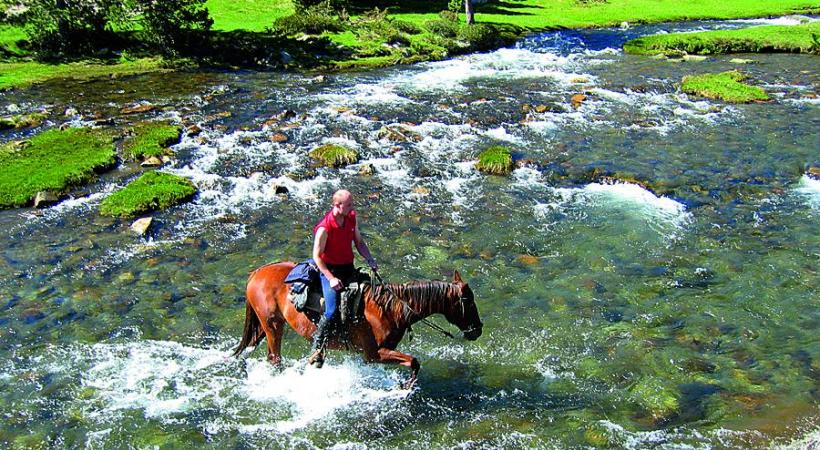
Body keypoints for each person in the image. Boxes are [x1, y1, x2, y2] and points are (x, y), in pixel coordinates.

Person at [308, 189, 378, 367]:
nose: (352, 207)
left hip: (347, 268)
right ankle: (317, 348)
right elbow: (317, 257)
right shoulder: (324, 228)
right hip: (328, 270)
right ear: (338, 205)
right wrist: (331, 278)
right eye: (349, 204)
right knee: (331, 310)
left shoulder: (351, 217)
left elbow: (359, 242)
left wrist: (369, 258)